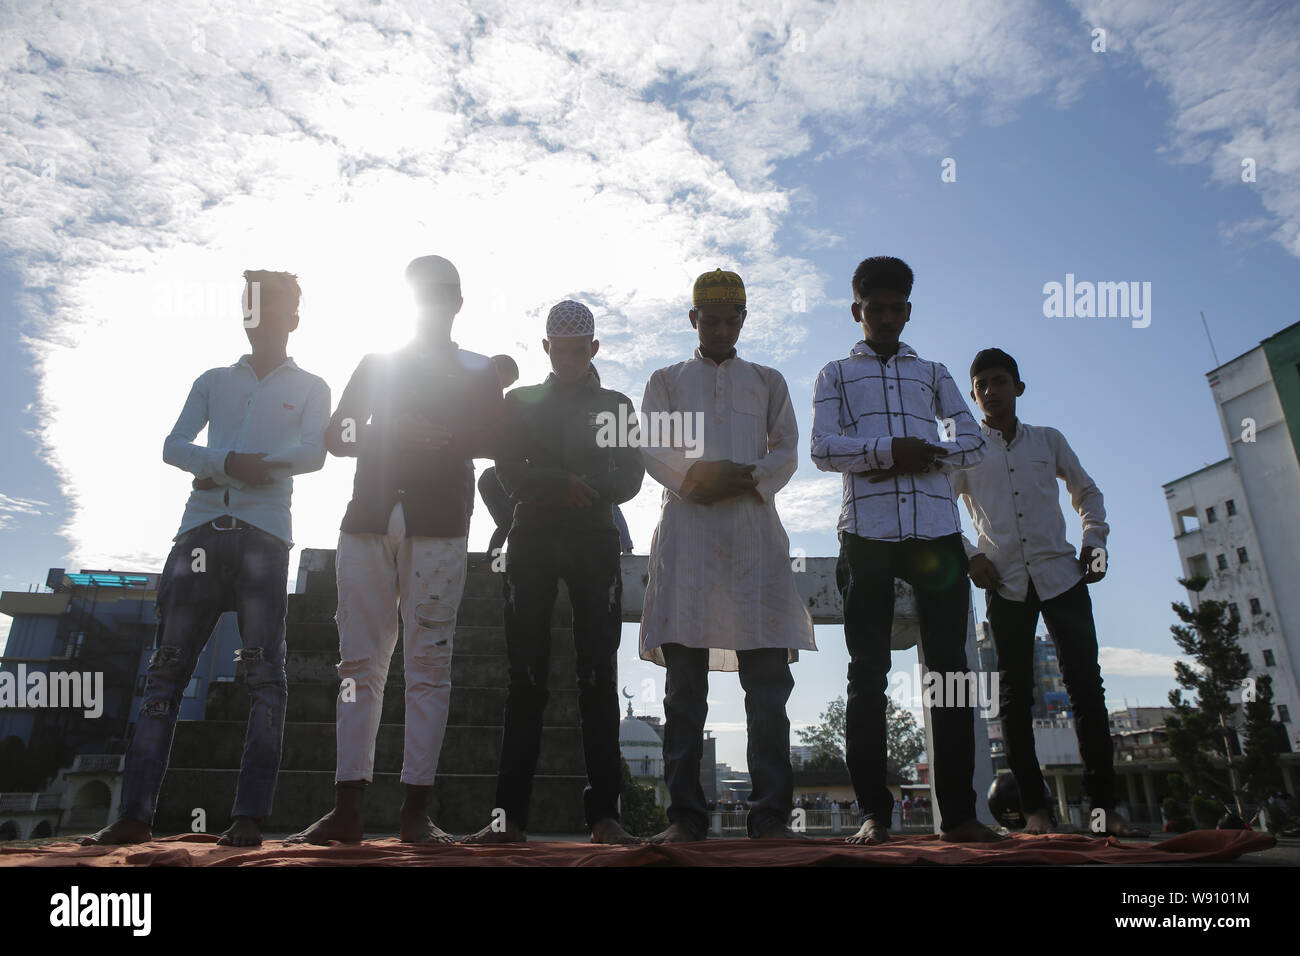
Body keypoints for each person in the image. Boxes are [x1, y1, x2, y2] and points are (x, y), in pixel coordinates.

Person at [82, 270, 329, 847]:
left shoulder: (313, 385)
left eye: (275, 308)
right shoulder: (213, 379)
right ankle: (134, 816)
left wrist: (252, 464)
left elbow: (315, 451)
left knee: (266, 678)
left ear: (294, 318)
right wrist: (226, 462)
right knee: (165, 671)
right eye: (255, 308)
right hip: (197, 532)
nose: (263, 318)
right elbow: (173, 445)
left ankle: (247, 820)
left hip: (265, 536)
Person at [289, 255, 505, 844]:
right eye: (423, 294)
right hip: (368, 521)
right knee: (358, 665)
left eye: (442, 295)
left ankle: (416, 814)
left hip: (439, 525)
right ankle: (348, 810)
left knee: (429, 668)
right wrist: (394, 433)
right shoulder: (376, 363)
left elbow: (498, 435)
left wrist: (444, 437)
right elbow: (338, 435)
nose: (433, 304)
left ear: (458, 303)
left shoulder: (477, 368)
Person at [811, 255, 1001, 846]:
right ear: (857, 311)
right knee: (867, 672)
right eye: (876, 308)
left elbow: (971, 441)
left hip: (938, 532)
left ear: (908, 310)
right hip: (866, 534)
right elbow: (822, 449)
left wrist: (925, 451)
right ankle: (874, 812)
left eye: (897, 308)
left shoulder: (935, 373)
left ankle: (962, 816)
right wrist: (887, 452)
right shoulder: (835, 374)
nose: (887, 317)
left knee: (952, 672)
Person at [640, 269, 815, 843]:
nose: (719, 328)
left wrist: (748, 478)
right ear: (693, 320)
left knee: (767, 690)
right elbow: (651, 445)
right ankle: (686, 820)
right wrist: (695, 477)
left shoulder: (767, 380)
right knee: (684, 692)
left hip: (753, 544)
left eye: (729, 319)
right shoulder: (666, 380)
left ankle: (769, 820)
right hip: (688, 543)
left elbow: (787, 448)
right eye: (708, 319)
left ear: (743, 320)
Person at [462, 301, 644, 845]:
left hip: (593, 543)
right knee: (526, 681)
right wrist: (559, 484)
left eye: (577, 349)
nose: (567, 358)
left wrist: (582, 490)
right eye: (559, 349)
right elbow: (505, 471)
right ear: (546, 348)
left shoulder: (616, 405)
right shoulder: (518, 403)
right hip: (533, 541)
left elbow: (632, 476)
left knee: (598, 678)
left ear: (593, 348)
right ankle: (508, 819)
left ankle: (606, 817)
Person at [951, 347, 1146, 837]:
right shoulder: (967, 448)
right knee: (1016, 698)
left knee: (1087, 689)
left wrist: (1093, 541)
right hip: (1006, 583)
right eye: (982, 386)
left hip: (1063, 577)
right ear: (974, 397)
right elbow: (939, 508)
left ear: (1018, 387)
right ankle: (1037, 811)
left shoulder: (1049, 440)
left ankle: (1106, 810)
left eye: (999, 381)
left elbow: (1088, 493)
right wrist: (970, 554)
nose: (992, 391)